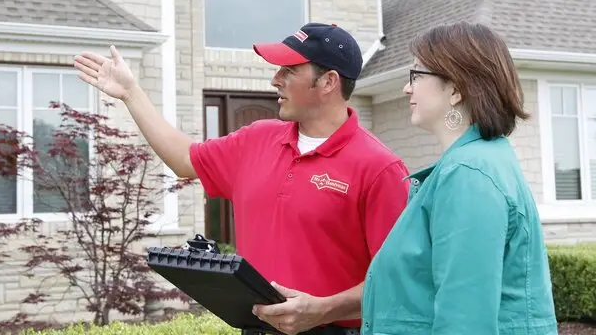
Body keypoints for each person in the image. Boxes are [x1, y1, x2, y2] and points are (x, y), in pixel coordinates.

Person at [74, 22, 410, 335]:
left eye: (289, 70)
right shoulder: (257, 139)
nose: (275, 79)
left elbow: (399, 279)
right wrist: (131, 93)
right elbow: (183, 159)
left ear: (328, 82)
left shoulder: (380, 169)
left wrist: (323, 309)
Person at [360, 21, 558, 335]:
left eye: (416, 75)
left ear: (455, 89)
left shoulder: (469, 174)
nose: (407, 88)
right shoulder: (476, 162)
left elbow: (465, 323)